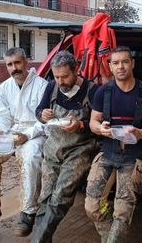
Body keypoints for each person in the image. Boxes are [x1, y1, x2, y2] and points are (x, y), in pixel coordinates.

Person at [86, 46, 142, 243]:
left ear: (132, 63)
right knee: (92, 207)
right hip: (107, 153)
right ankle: (110, 237)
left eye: (124, 61)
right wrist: (100, 128)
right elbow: (92, 122)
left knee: (122, 212)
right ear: (110, 67)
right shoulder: (102, 92)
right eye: (115, 63)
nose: (120, 66)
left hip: (134, 156)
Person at [0, 47, 48, 237]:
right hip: (12, 132)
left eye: (17, 63)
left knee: (30, 158)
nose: (14, 68)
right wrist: (0, 130)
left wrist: (27, 135)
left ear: (26, 63)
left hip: (35, 134)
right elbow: (2, 116)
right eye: (10, 64)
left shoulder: (42, 85)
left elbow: (45, 121)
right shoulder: (5, 87)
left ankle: (28, 212)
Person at [31, 50, 99, 243]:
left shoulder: (92, 90)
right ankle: (42, 238)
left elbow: (99, 125)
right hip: (53, 148)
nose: (60, 81)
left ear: (76, 70)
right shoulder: (52, 87)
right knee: (45, 196)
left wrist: (80, 125)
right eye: (57, 76)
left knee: (61, 196)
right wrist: (41, 114)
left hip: (80, 149)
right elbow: (38, 111)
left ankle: (38, 240)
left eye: (65, 76)